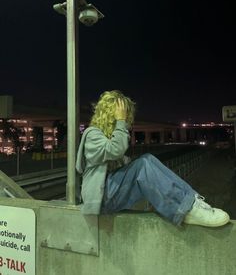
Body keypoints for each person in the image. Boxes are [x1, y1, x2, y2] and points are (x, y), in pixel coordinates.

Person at [76, 90, 230, 227]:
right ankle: (185, 210)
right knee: (143, 164)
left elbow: (124, 165)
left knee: (147, 161)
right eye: (124, 115)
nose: (128, 120)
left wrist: (153, 174)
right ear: (112, 115)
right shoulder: (92, 134)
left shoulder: (108, 137)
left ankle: (192, 203)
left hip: (110, 193)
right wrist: (120, 122)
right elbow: (115, 150)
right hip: (101, 199)